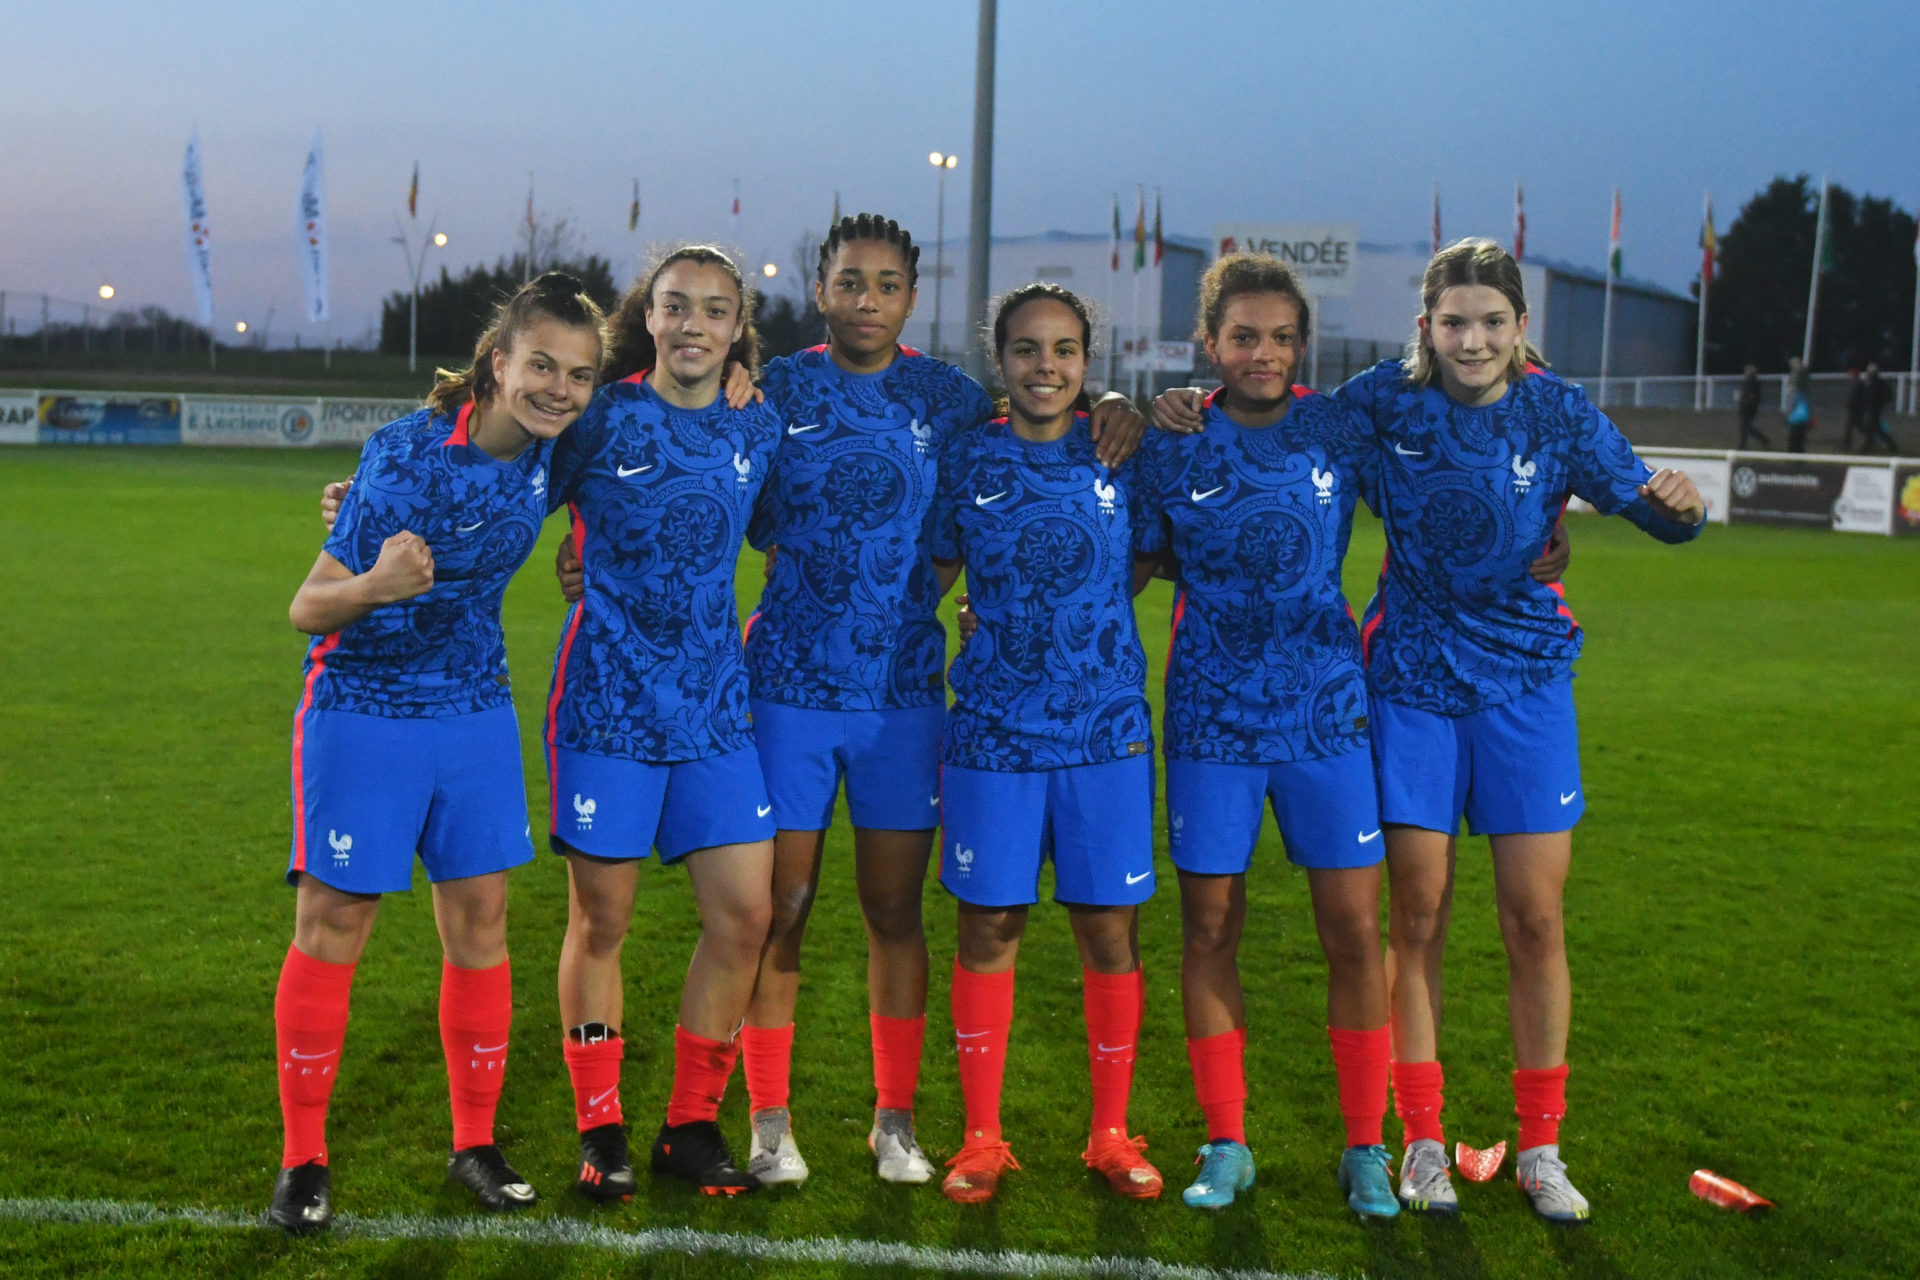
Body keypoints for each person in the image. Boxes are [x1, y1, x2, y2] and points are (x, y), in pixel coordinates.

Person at [555, 214, 1144, 1187]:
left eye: (887, 284)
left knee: (893, 910)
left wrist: (1119, 400)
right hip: (783, 688)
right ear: (819, 291)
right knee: (779, 909)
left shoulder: (949, 399)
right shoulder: (771, 389)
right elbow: (676, 481)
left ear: (911, 297)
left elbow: (1033, 430)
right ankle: (768, 1120)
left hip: (903, 696)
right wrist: (588, 550)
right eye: (849, 282)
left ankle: (894, 1119)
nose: (867, 300)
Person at [1333, 239, 1704, 1224]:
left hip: (1527, 685)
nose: (1473, 340)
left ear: (1520, 326)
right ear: (1426, 327)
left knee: (1535, 918)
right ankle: (1422, 1141)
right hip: (1410, 682)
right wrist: (1165, 406)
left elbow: (1655, 509)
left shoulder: (1558, 411)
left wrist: (1684, 506)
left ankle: (1540, 1147)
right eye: (1455, 322)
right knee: (1417, 917)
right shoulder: (1382, 400)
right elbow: (1274, 421)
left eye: (1492, 321)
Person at [271, 272, 607, 1233]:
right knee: (335, 921)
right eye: (541, 366)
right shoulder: (407, 456)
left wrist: (739, 369)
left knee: (482, 923)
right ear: (498, 364)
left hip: (474, 711)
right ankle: (303, 1160)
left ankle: (474, 1143)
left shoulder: (560, 446)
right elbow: (307, 607)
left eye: (578, 375)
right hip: (364, 707)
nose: (559, 390)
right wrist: (375, 582)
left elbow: (661, 400)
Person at [543, 246, 785, 1199]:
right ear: (647, 316)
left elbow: (780, 531)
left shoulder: (757, 423)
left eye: (716, 311)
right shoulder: (600, 415)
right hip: (608, 705)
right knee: (602, 920)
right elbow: (503, 477)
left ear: (737, 330)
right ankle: (600, 1128)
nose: (694, 324)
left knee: (745, 916)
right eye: (676, 305)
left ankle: (689, 1125)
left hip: (717, 708)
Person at [929, 284, 1164, 1206]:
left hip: (1105, 733)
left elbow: (1146, 557)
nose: (1046, 366)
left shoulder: (1120, 451)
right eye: (1027, 349)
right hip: (992, 732)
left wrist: (1078, 622)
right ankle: (981, 1136)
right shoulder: (967, 456)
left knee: (1108, 928)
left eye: (1064, 350)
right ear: (1000, 360)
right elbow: (933, 566)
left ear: (1086, 363)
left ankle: (1111, 1133)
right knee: (990, 925)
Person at [1861, 362, 1899, 454]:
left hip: (1874, 408)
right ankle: (1870, 445)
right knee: (1872, 427)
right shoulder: (1878, 382)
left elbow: (1873, 396)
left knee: (1874, 427)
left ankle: (1889, 445)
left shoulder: (1875, 383)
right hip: (1875, 408)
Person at [1735, 365, 1770, 450]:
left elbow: (1751, 396)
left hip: (1748, 408)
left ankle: (1762, 439)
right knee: (1744, 427)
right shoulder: (1751, 382)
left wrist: (1743, 400)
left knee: (1746, 427)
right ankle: (1743, 445)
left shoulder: (1752, 383)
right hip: (1748, 408)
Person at [1786, 357, 1813, 453]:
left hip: (1798, 407)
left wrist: (1789, 409)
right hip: (1800, 406)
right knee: (1798, 431)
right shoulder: (1803, 375)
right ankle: (1796, 449)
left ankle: (1794, 450)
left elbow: (1792, 392)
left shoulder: (1798, 376)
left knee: (1796, 431)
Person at [1843, 367, 1866, 452]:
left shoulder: (1859, 384)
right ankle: (1846, 443)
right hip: (1855, 409)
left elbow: (1856, 398)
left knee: (1853, 426)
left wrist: (1850, 405)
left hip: (1856, 410)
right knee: (1854, 426)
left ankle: (1846, 444)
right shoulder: (1858, 383)